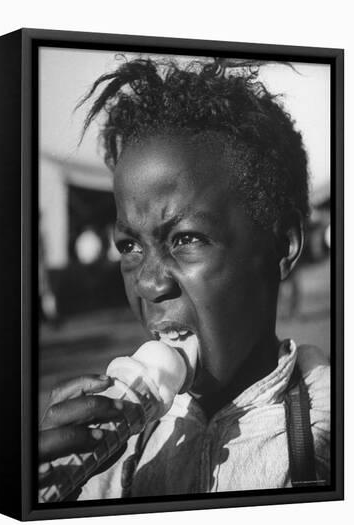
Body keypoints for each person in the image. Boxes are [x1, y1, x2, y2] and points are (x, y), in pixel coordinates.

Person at [38, 58, 330, 499]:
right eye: (130, 247)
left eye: (186, 238)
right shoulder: (121, 453)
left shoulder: (329, 428)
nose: (149, 284)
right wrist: (50, 494)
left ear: (282, 246)